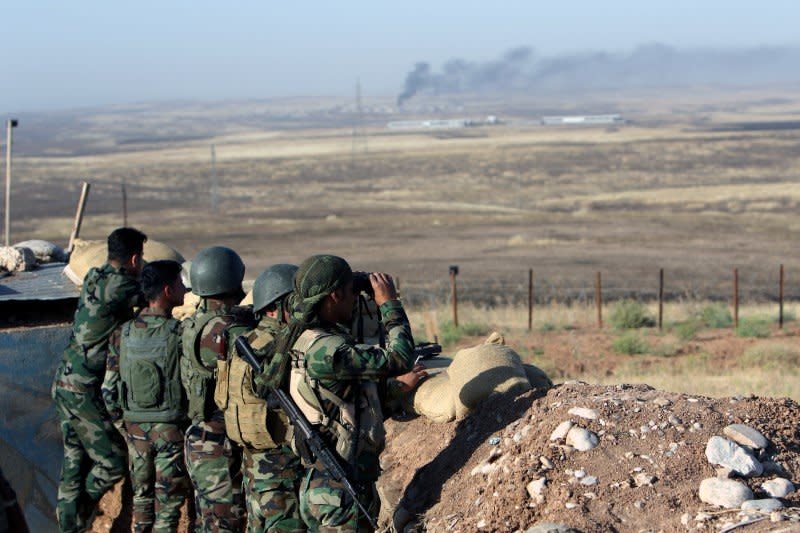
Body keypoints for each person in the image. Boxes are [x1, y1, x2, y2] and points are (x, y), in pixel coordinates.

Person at [258, 255, 426, 532]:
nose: (354, 300)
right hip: (338, 490)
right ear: (334, 296)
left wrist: (397, 388)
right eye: (349, 294)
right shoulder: (327, 351)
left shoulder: (304, 337)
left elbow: (346, 402)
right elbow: (400, 358)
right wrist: (389, 304)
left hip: (330, 486)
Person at [51, 227, 147, 532]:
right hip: (82, 390)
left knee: (74, 463)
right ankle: (79, 514)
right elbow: (155, 296)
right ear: (134, 259)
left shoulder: (94, 275)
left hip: (64, 382)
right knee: (113, 462)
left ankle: (68, 527)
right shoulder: (121, 286)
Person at [102, 260, 189, 532]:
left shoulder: (123, 333)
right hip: (170, 429)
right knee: (168, 505)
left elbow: (108, 388)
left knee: (141, 499)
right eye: (179, 284)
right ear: (166, 290)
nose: (184, 289)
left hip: (135, 429)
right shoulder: (179, 333)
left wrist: (124, 426)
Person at [217, 264, 305, 532]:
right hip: (281, 469)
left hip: (255, 469)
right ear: (276, 307)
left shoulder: (247, 341)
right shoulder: (280, 345)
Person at [181, 246, 252, 532]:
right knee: (225, 523)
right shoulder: (228, 330)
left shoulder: (195, 324)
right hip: (220, 441)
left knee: (208, 519)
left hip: (199, 435)